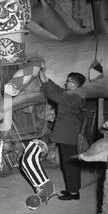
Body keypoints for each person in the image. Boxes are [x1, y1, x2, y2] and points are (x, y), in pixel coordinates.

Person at [39, 69, 86, 201]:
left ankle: (74, 192)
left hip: (68, 133)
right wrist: (48, 80)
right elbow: (59, 90)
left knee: (70, 163)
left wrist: (44, 82)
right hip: (67, 132)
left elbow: (54, 95)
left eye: (69, 82)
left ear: (76, 85)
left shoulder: (74, 97)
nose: (66, 83)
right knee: (68, 162)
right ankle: (72, 189)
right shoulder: (73, 94)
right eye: (67, 80)